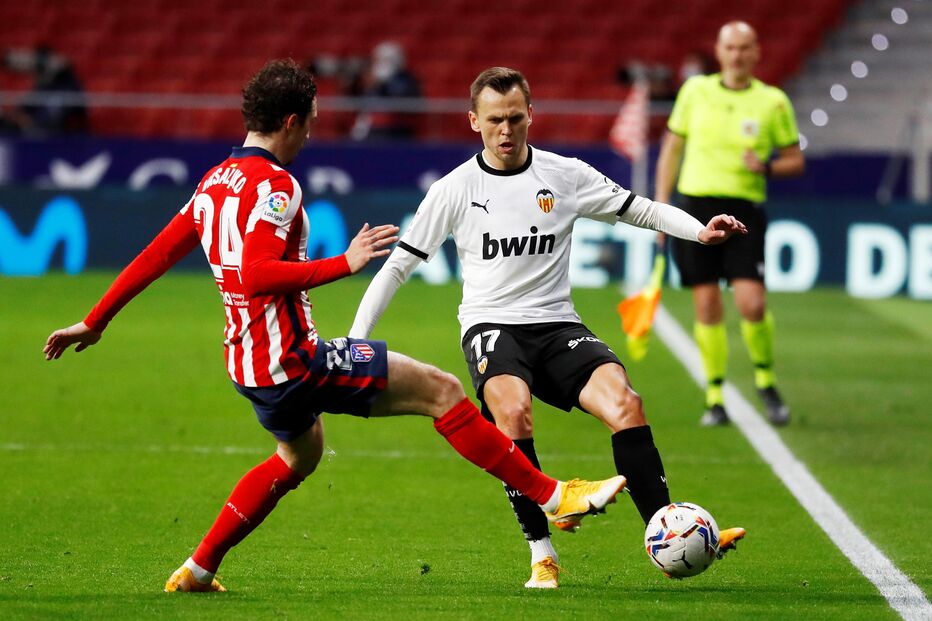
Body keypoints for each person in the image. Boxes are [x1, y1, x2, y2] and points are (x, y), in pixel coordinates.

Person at [42, 59, 627, 593]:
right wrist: (342, 265)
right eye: (313, 122)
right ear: (292, 122)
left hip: (247, 363)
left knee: (299, 456)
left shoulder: (214, 182)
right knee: (443, 392)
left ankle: (199, 568)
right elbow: (254, 274)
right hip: (293, 359)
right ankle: (552, 495)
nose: (313, 133)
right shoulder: (276, 186)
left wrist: (96, 321)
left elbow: (157, 254)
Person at [349, 66, 748, 589]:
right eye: (494, 120)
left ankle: (672, 531)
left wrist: (700, 231)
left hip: (557, 324)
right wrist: (356, 340)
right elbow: (398, 266)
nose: (506, 130)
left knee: (626, 403)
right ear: (474, 121)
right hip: (492, 326)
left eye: (515, 117)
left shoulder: (565, 175)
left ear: (531, 114)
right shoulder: (454, 190)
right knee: (513, 411)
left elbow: (640, 210)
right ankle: (542, 552)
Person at [654, 21, 805, 427]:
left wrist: (768, 166)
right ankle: (716, 395)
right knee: (706, 304)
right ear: (719, 52)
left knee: (751, 302)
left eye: (744, 48)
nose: (737, 55)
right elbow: (671, 148)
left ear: (756, 52)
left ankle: (765, 379)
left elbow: (795, 159)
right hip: (695, 207)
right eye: (730, 48)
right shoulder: (695, 91)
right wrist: (661, 209)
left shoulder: (772, 101)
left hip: (744, 210)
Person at [1, 45, 88, 135]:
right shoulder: (42, 88)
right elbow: (23, 112)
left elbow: (64, 63)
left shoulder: (68, 85)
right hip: (31, 136)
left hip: (57, 138)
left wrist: (29, 122)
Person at [350, 41, 422, 140]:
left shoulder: (406, 79)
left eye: (385, 60)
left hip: (394, 131)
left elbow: (401, 101)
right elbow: (358, 102)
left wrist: (382, 83)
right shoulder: (370, 79)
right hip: (367, 128)